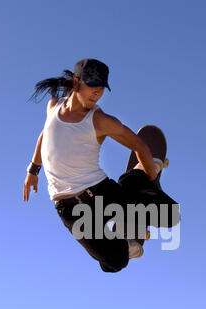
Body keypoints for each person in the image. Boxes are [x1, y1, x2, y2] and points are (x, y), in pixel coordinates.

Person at [23, 58, 180, 273]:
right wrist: (33, 170)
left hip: (101, 192)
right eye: (92, 86)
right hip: (72, 211)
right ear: (76, 82)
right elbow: (45, 135)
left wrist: (151, 183)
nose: (96, 93)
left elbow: (139, 145)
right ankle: (125, 238)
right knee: (114, 263)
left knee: (170, 215)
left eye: (101, 88)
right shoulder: (54, 107)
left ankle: (137, 177)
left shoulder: (101, 120)